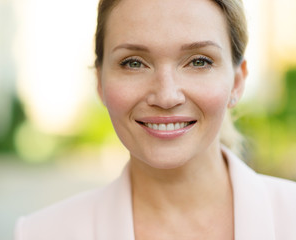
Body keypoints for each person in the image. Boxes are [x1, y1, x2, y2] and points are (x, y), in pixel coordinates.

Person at [15, 0, 296, 239]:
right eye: (134, 63)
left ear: (237, 82)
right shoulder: (42, 233)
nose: (166, 96)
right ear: (99, 82)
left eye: (199, 61)